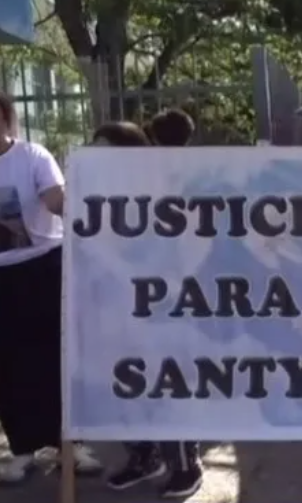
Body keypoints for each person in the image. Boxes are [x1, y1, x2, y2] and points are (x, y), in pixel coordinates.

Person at [95, 119, 204, 499]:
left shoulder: (160, 193)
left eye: (105, 153)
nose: (95, 159)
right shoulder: (94, 196)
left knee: (164, 383)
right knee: (122, 383)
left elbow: (178, 249)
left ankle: (185, 465)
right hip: (113, 306)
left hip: (158, 303)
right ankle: (143, 456)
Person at [0, 92, 102, 484]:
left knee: (56, 360)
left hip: (43, 268)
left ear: (5, 117)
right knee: (9, 366)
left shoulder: (32, 157)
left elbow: (57, 200)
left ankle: (71, 447)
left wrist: (83, 208)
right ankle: (23, 449)